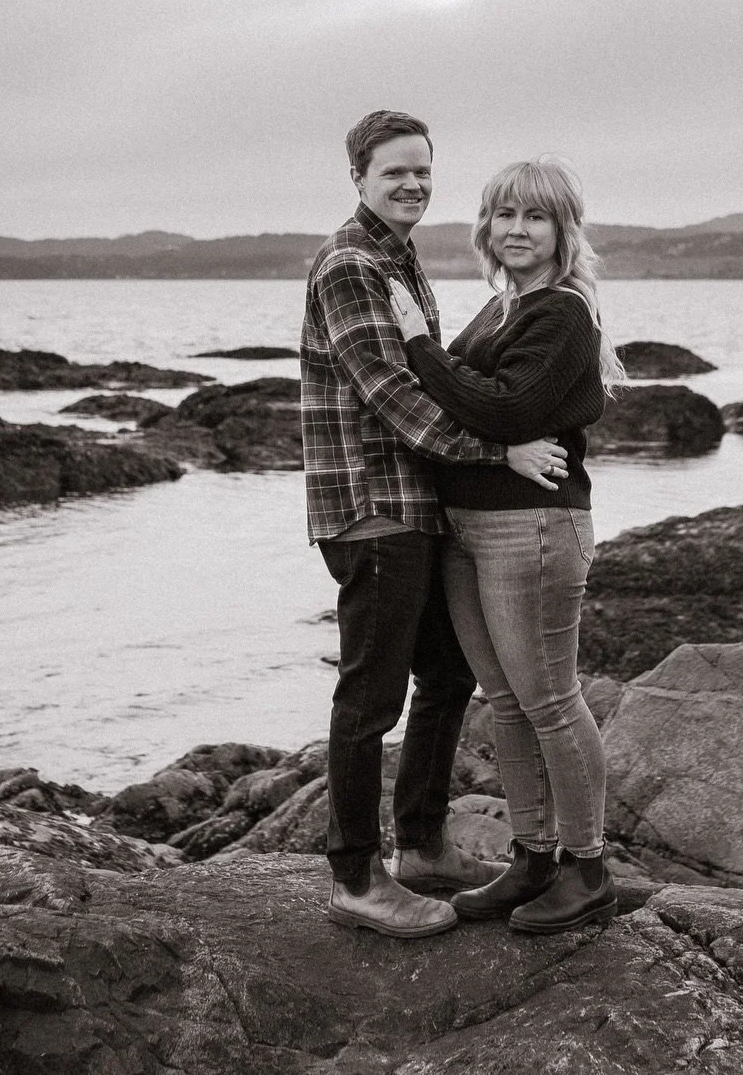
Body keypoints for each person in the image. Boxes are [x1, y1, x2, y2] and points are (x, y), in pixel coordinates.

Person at [302, 110, 571, 939]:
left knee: (448, 676)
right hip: (374, 510)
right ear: (358, 178)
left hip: (416, 509)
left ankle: (420, 846)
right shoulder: (352, 264)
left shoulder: (397, 256)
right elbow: (396, 396)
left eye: (423, 171)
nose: (413, 184)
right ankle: (355, 878)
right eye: (394, 173)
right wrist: (504, 452)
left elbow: (435, 375)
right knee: (369, 698)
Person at [388, 155, 624, 933]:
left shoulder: (559, 311)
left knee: (551, 700)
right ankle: (532, 858)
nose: (516, 229)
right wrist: (473, 411)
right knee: (507, 703)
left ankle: (588, 870)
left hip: (534, 529)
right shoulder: (502, 309)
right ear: (486, 226)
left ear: (564, 230)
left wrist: (420, 344)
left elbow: (500, 405)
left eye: (535, 216)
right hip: (469, 527)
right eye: (503, 214)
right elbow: (466, 411)